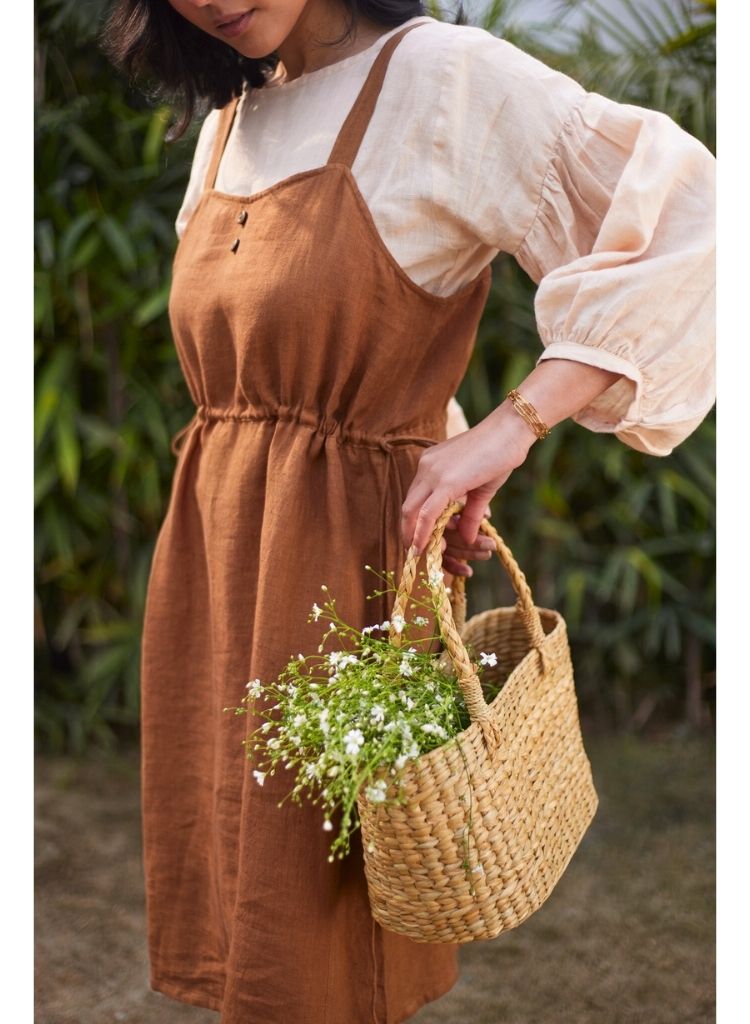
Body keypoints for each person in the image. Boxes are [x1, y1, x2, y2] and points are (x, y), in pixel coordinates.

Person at [102, 1, 715, 1021]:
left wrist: (511, 428)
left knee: (319, 942)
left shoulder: (442, 78)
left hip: (337, 576)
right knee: (243, 914)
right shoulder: (233, 118)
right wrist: (447, 439)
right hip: (216, 563)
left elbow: (698, 220)